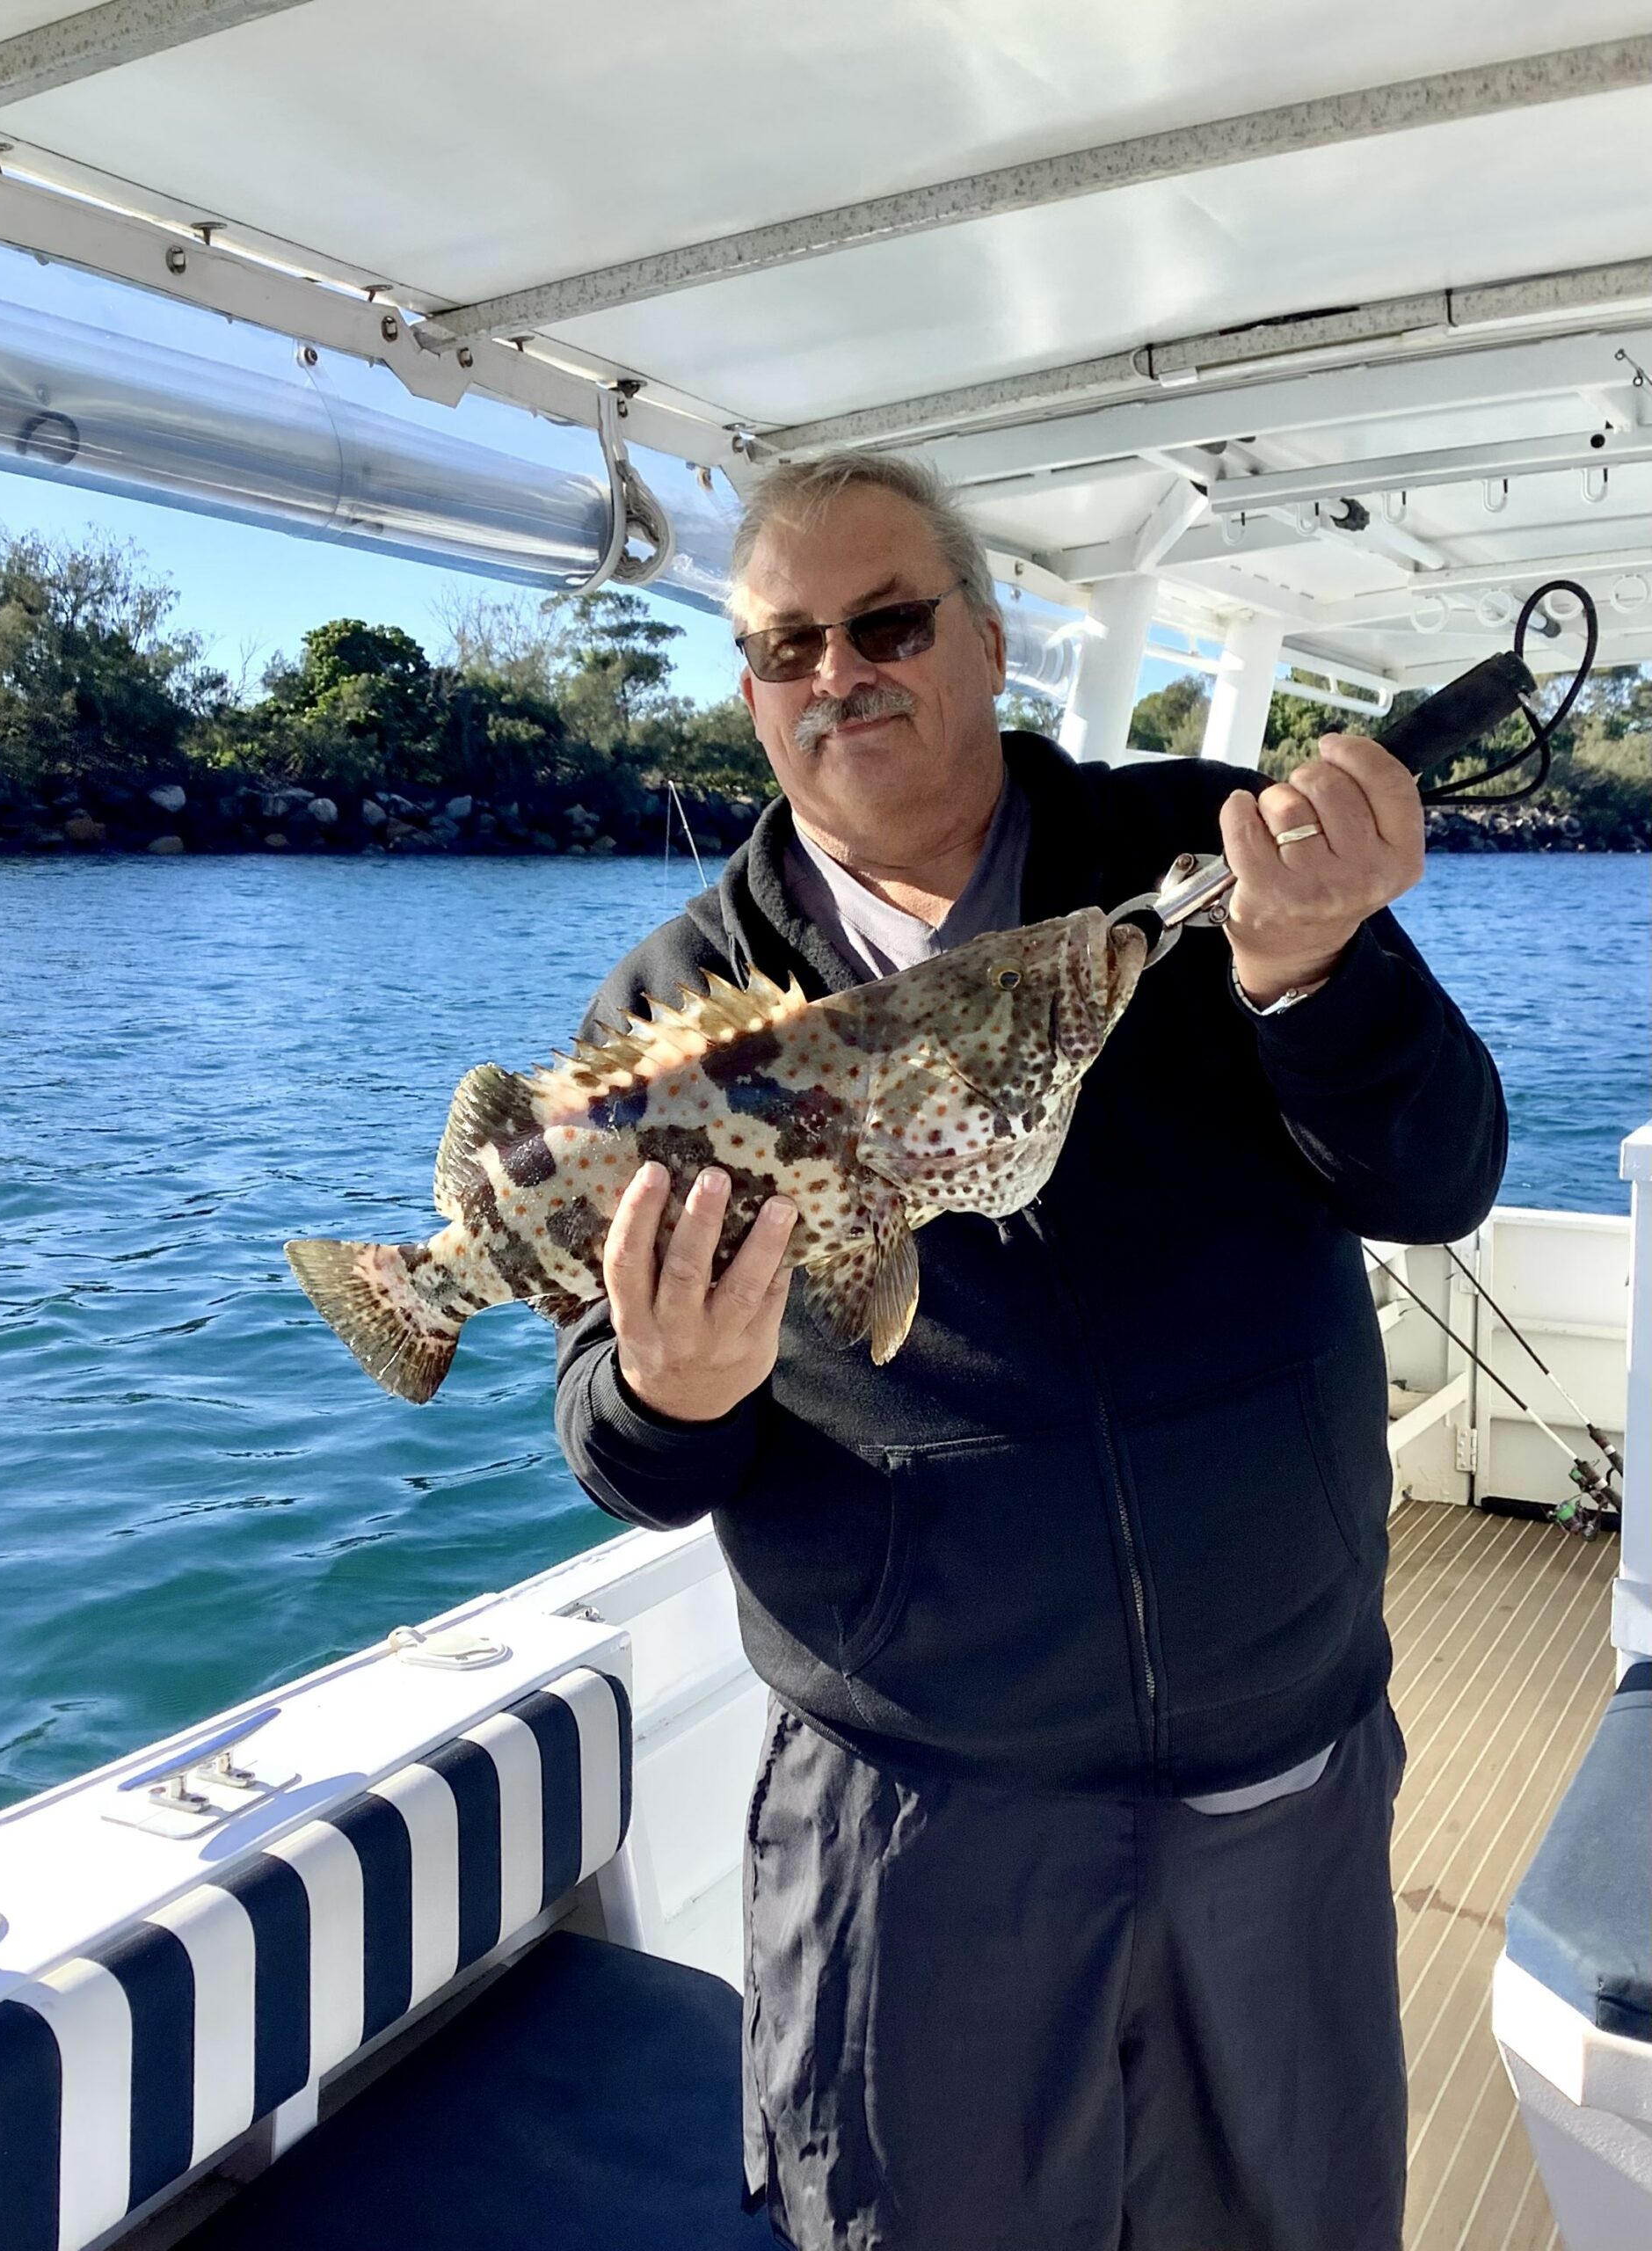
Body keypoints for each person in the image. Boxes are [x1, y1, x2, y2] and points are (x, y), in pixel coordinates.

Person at [555, 452, 1506, 2251]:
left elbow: (1440, 1174)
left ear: (988, 643)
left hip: (1278, 1760)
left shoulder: (1209, 858)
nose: (838, 673)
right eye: (785, 647)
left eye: (888, 622)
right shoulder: (673, 1015)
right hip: (923, 1818)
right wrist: (670, 1393)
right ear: (752, 689)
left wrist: (1320, 976)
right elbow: (620, 1434)